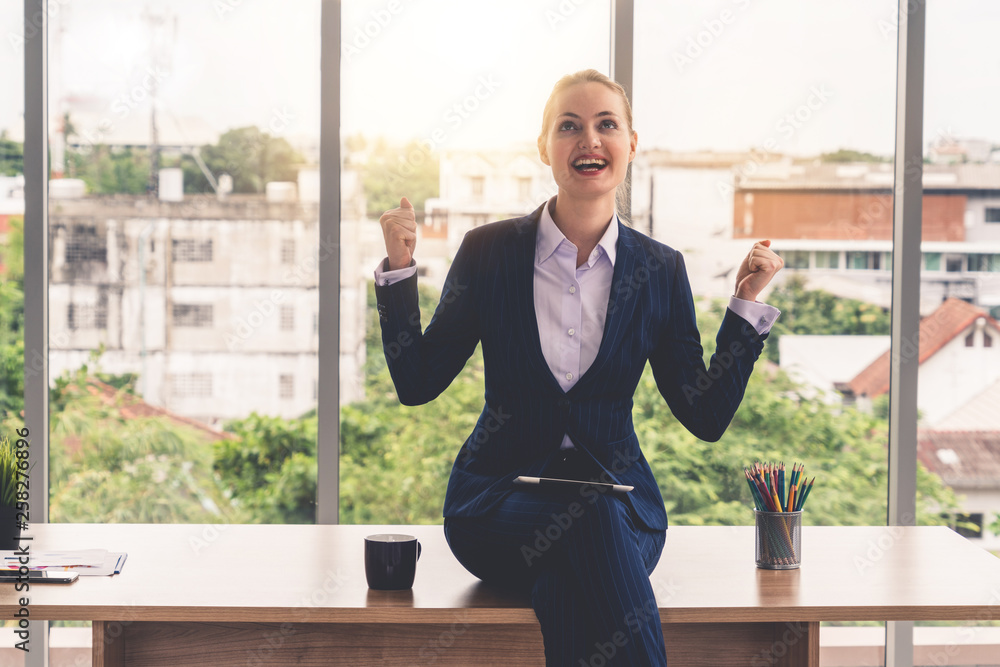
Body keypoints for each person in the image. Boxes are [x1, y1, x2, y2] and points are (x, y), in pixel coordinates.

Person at [374, 69, 783, 666]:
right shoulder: (489, 252)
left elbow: (705, 414)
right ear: (545, 147)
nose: (589, 140)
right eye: (570, 127)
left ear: (631, 144)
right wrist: (399, 268)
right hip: (495, 510)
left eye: (606, 125)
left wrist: (745, 305)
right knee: (585, 516)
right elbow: (417, 383)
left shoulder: (659, 270)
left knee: (568, 576)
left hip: (623, 518)